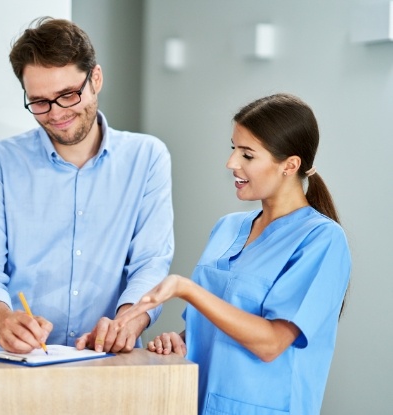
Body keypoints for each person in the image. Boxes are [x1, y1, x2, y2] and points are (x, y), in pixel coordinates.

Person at [114, 93, 351, 415]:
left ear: (290, 165)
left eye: (248, 155)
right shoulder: (227, 228)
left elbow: (271, 344)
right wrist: (181, 340)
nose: (231, 164)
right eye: (233, 149)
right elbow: (217, 324)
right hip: (195, 403)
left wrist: (187, 289)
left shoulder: (322, 240)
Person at [0, 17, 174, 354]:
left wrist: (127, 322)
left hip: (109, 360)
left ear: (96, 79)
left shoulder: (147, 157)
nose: (56, 113)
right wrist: (3, 321)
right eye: (39, 102)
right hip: (17, 363)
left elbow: (151, 263)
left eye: (68, 95)